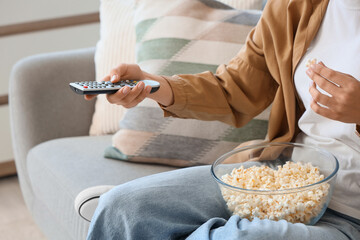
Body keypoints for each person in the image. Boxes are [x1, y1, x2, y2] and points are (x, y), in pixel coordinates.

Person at [85, 0, 360, 239]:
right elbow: (236, 87)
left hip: (351, 214)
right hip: (285, 181)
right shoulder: (293, 6)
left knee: (242, 236)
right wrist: (154, 86)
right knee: (123, 207)